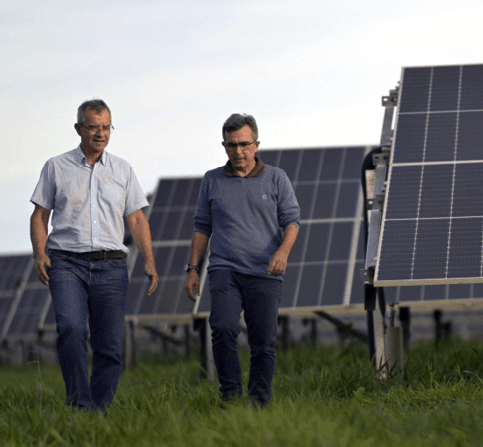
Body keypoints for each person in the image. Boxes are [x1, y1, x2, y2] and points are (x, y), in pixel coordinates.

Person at [30, 99, 157, 411]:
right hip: (66, 263)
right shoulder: (56, 167)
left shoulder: (123, 170)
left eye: (106, 128)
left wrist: (150, 261)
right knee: (71, 328)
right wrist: (39, 254)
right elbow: (39, 215)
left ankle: (98, 412)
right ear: (78, 129)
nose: (100, 134)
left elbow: (137, 219)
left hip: (112, 266)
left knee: (109, 346)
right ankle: (79, 403)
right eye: (93, 128)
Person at [184, 113, 300, 406]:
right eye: (231, 145)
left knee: (263, 343)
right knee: (222, 328)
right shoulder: (212, 180)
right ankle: (231, 397)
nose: (238, 151)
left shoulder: (276, 178)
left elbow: (292, 221)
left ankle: (259, 403)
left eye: (244, 144)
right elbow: (201, 226)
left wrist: (283, 252)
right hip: (225, 269)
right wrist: (193, 268)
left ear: (256, 144)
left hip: (265, 272)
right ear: (224, 146)